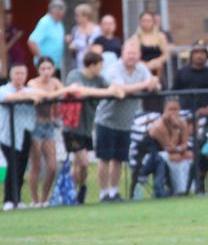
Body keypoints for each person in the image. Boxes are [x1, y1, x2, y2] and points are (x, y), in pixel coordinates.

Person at [95, 40, 160, 202]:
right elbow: (121, 89)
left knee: (119, 158)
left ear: (139, 55)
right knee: (105, 158)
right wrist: (146, 83)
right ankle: (103, 194)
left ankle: (114, 192)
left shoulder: (142, 68)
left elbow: (153, 85)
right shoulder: (114, 69)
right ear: (122, 53)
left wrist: (154, 84)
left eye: (134, 53)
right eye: (128, 53)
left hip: (126, 122)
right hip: (107, 120)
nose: (131, 56)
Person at [0, 64, 69, 211]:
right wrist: (30, 96)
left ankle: (17, 199)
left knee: (21, 166)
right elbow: (9, 98)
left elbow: (47, 95)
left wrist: (68, 89)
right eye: (17, 73)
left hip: (25, 131)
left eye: (22, 74)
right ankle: (8, 199)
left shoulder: (29, 90)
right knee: (10, 166)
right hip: (7, 134)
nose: (19, 76)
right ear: (11, 75)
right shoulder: (4, 89)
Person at [63, 51, 125, 204]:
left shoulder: (99, 79)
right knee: (83, 161)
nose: (102, 69)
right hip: (72, 128)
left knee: (80, 165)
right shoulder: (75, 75)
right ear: (92, 65)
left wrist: (109, 90)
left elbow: (118, 92)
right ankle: (74, 191)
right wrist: (105, 92)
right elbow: (79, 91)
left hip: (86, 128)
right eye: (100, 65)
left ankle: (79, 189)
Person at [173, 39, 208, 193]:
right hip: (186, 124)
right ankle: (190, 184)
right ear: (191, 55)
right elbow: (173, 96)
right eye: (196, 52)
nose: (199, 56)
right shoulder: (182, 73)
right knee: (189, 151)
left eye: (202, 53)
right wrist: (182, 116)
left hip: (207, 122)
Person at [27, 58, 64, 207]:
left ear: (53, 69)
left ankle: (44, 198)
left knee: (52, 166)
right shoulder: (32, 83)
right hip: (35, 125)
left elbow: (64, 93)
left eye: (49, 68)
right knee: (35, 165)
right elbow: (43, 95)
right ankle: (35, 200)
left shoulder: (55, 83)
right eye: (43, 68)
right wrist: (60, 92)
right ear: (38, 70)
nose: (46, 72)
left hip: (49, 125)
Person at [148, 98, 193, 196]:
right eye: (170, 109)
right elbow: (168, 147)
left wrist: (181, 150)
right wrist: (175, 129)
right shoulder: (158, 127)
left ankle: (189, 189)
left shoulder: (182, 122)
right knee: (175, 157)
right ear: (164, 110)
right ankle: (179, 190)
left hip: (175, 151)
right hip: (155, 155)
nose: (173, 112)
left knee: (189, 155)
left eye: (176, 109)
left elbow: (185, 144)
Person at [132, 11, 169, 111]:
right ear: (140, 22)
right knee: (146, 101)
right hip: (142, 73)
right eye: (144, 20)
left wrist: (156, 62)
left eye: (149, 20)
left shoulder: (161, 36)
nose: (146, 23)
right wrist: (145, 65)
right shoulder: (136, 37)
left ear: (153, 22)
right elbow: (134, 55)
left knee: (159, 99)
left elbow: (166, 54)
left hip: (158, 72)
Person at [28, 0, 66, 77]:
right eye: (60, 13)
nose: (62, 15)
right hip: (46, 67)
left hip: (56, 65)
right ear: (53, 12)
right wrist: (42, 60)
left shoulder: (59, 22)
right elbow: (31, 42)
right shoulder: (45, 23)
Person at [66, 3, 101, 70]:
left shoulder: (97, 30)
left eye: (78, 16)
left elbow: (98, 47)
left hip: (92, 64)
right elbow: (71, 49)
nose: (76, 18)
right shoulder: (75, 30)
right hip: (78, 64)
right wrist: (70, 43)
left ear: (86, 16)